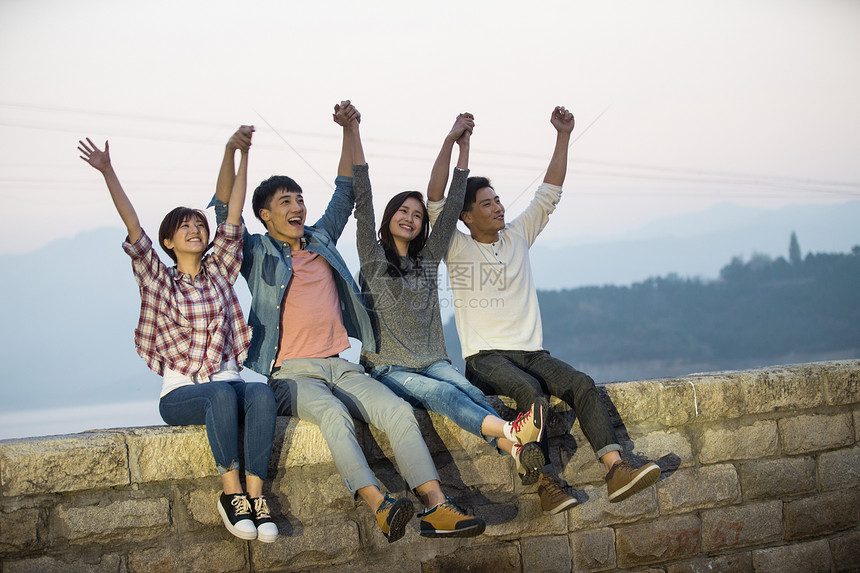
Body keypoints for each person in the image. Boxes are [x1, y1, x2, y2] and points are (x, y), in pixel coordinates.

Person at [210, 101, 485, 542]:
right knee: (335, 418)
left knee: (397, 411)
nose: (297, 206)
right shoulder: (255, 252)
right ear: (265, 214)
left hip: (343, 364)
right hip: (292, 373)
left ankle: (438, 508)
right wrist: (232, 152)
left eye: (300, 199)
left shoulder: (320, 238)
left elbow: (346, 190)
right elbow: (225, 208)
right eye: (286, 202)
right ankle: (381, 505)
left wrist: (350, 129)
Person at [426, 106, 661, 515]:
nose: (499, 207)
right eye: (487, 204)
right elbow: (434, 199)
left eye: (498, 200)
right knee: (531, 397)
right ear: (465, 216)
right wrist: (452, 141)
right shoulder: (456, 246)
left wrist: (564, 136)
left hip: (533, 353)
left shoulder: (516, 236)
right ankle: (545, 482)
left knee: (583, 384)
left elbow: (549, 193)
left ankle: (616, 468)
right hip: (486, 359)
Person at [78, 127, 280, 543]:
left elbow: (236, 213)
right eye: (184, 227)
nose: (195, 231)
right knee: (221, 396)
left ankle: (257, 501)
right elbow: (133, 224)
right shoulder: (157, 279)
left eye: (199, 226)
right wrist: (108, 171)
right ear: (168, 240)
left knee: (260, 393)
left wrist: (243, 157)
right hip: (182, 393)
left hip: (228, 382)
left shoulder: (221, 270)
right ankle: (231, 495)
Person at [353, 112, 547, 486]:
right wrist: (354, 130)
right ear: (389, 216)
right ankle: (512, 432)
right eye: (402, 211)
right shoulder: (373, 257)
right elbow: (363, 196)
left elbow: (455, 197)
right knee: (448, 397)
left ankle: (518, 450)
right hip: (392, 369)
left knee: (471, 393)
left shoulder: (427, 261)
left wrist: (463, 144)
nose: (410, 218)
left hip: (433, 360)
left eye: (417, 214)